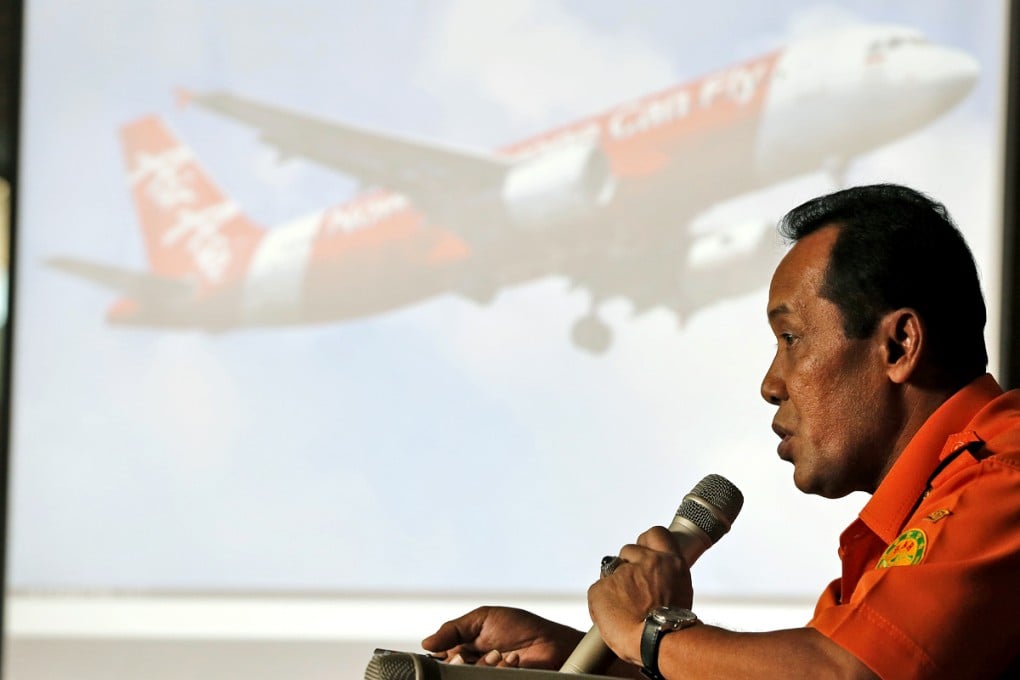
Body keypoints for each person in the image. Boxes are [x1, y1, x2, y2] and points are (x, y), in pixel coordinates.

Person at [421, 184, 1020, 679]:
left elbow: (845, 675)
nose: (771, 382)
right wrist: (609, 662)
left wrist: (651, 632)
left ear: (898, 344)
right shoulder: (912, 523)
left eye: (791, 339)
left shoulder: (1005, 472)